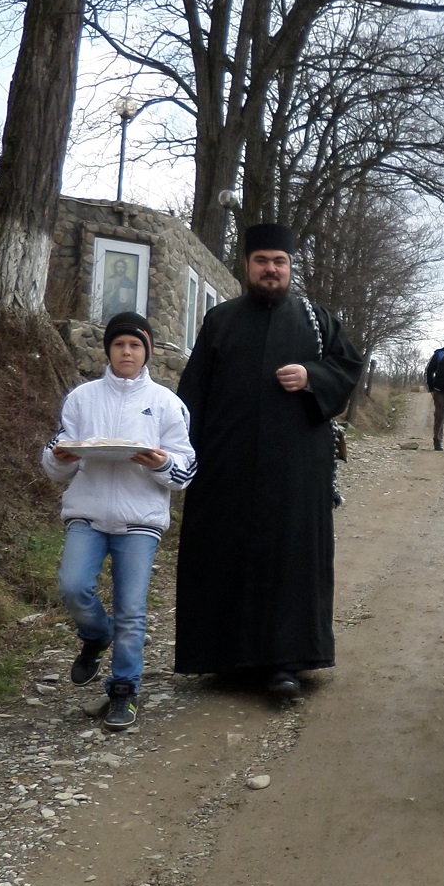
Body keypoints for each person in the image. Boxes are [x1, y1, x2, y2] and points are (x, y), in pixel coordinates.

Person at [174, 223, 364, 697]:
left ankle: (286, 662)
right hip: (227, 466)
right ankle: (224, 658)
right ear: (247, 265)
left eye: (279, 261)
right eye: (262, 261)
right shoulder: (220, 321)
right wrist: (183, 453)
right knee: (225, 553)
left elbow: (347, 367)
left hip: (297, 468)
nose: (271, 269)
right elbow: (192, 394)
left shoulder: (315, 319)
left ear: (290, 267)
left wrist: (312, 376)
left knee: (290, 559)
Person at [42, 312, 196, 730]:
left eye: (135, 345)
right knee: (73, 586)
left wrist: (160, 462)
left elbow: (185, 468)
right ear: (108, 350)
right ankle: (96, 635)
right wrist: (59, 457)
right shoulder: (82, 398)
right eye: (119, 345)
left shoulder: (167, 403)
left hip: (140, 519)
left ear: (147, 351)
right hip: (87, 513)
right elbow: (56, 459)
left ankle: (124, 690)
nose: (126, 352)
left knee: (131, 611)